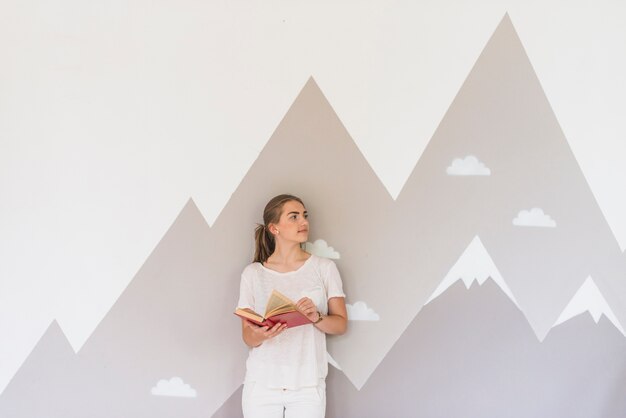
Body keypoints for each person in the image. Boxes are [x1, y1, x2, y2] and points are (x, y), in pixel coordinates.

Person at [236, 194, 348, 418]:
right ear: (274, 228)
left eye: (305, 216)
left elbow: (340, 324)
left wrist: (316, 317)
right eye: (294, 217)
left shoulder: (324, 268)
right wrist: (263, 334)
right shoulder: (253, 274)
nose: (303, 222)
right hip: (262, 385)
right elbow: (248, 337)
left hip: (307, 385)